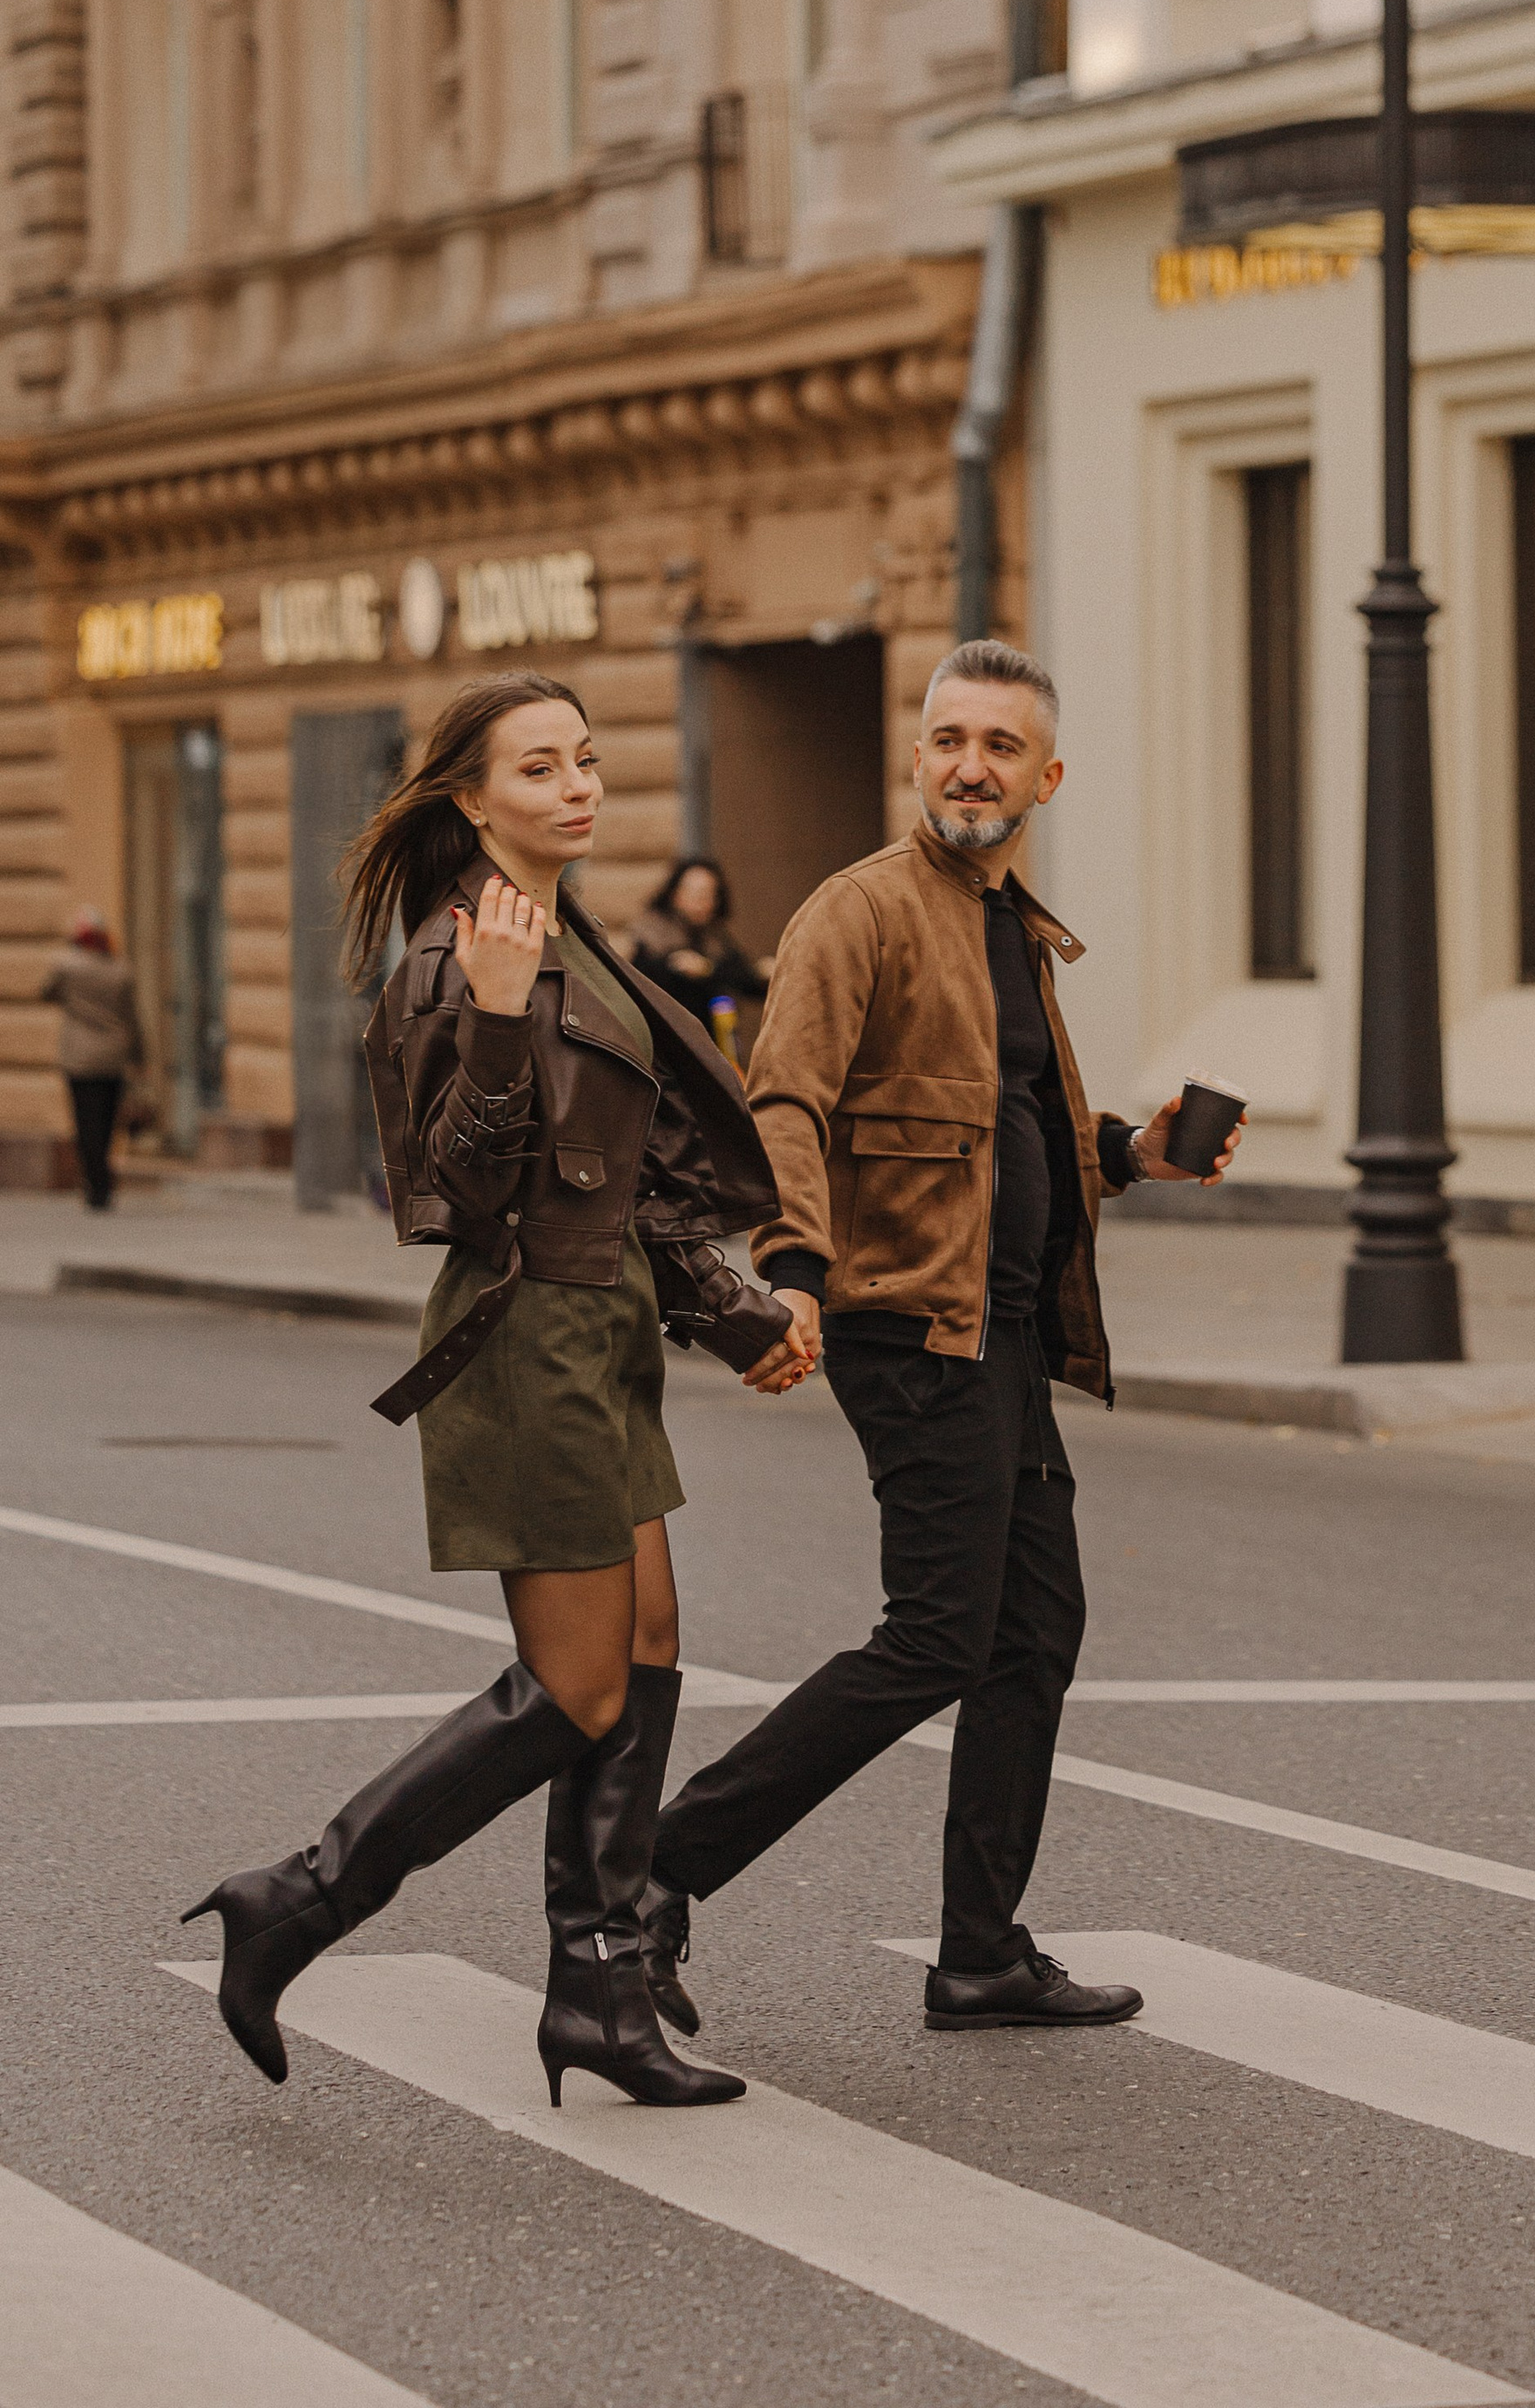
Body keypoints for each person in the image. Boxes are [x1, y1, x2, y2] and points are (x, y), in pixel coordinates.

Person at [183, 670, 818, 2108]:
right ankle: (296, 1898)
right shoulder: (452, 961)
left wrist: (738, 1314)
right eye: (538, 769)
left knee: (647, 1646)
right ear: (468, 799)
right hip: (526, 1342)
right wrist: (490, 1019)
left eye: (586, 760)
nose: (576, 786)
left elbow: (634, 1187)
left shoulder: (579, 943)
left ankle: (596, 1986)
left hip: (605, 1334)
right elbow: (453, 1195)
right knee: (580, 1682)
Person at [643, 637, 1241, 2040]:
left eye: (1001, 744)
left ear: (1046, 774)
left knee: (1033, 1636)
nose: (973, 763)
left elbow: (996, 1128)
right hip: (910, 1326)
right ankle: (651, 1874)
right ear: (918, 756)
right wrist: (788, 1269)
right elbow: (785, 1101)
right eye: (950, 737)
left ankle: (979, 1951)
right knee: (934, 1637)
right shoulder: (861, 912)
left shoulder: (1010, 924)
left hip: (1010, 1333)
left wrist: (1133, 1156)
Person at [41, 908, 143, 1212]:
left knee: (86, 1122)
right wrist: (139, 1057)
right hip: (113, 1056)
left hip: (79, 1057)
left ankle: (95, 1183)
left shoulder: (66, 967)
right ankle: (103, 1180)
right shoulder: (121, 970)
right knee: (108, 1123)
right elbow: (133, 1019)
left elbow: (46, 993)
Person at [632, 855, 766, 1037]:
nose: (701, 901)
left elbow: (742, 977)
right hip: (670, 1041)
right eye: (693, 892)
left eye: (708, 894)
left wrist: (765, 974)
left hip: (716, 1041)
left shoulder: (716, 937)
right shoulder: (653, 936)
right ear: (675, 894)